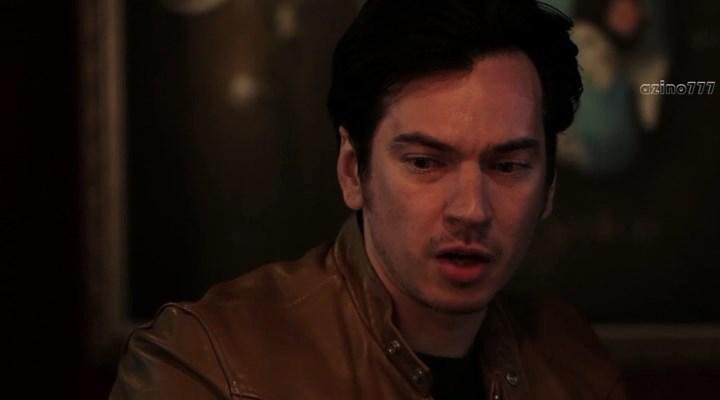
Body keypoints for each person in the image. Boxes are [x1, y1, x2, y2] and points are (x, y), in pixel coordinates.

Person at [111, 0, 626, 398]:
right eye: (425, 163)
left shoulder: (573, 362)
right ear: (352, 171)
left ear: (549, 186)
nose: (471, 210)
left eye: (508, 166)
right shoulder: (207, 364)